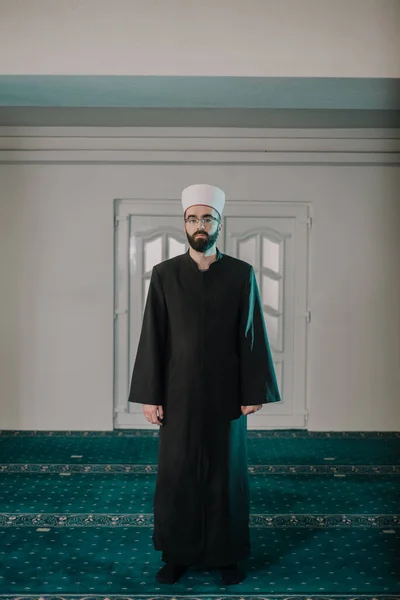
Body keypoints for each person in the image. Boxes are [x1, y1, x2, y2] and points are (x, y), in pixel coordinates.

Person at [128, 183, 281, 586]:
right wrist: (150, 394)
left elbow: (250, 335)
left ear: (219, 223)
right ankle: (176, 555)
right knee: (177, 473)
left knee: (225, 475)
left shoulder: (241, 274)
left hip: (226, 394)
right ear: (184, 224)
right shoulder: (164, 275)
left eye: (207, 218)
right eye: (193, 218)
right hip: (177, 393)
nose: (200, 225)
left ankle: (226, 555)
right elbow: (153, 337)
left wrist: (253, 392)